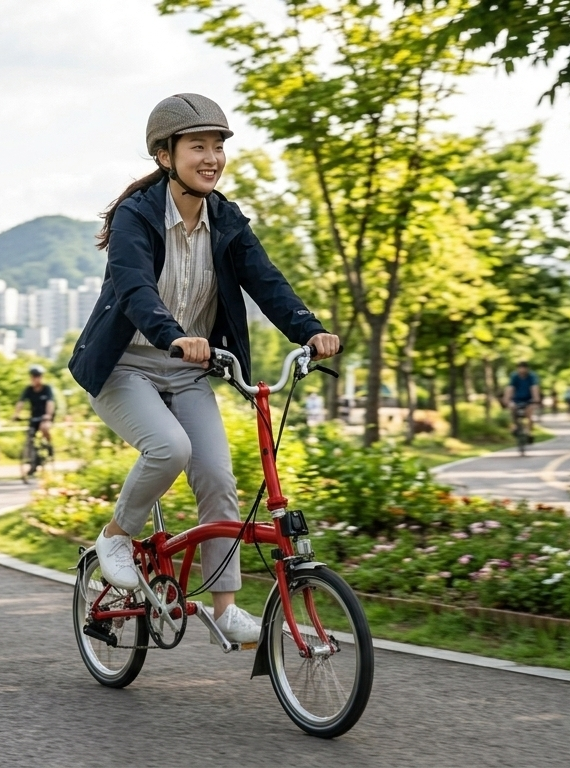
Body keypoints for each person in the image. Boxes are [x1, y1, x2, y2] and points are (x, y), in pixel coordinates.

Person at [68, 93, 340, 643]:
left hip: (189, 369)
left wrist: (309, 329)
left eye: (218, 146)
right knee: (170, 448)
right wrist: (174, 336)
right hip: (125, 366)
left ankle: (225, 610)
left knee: (218, 477)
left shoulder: (225, 218)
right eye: (198, 146)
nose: (211, 157)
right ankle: (116, 536)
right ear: (165, 155)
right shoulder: (136, 216)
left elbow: (266, 280)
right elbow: (135, 289)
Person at [14, 364, 57, 452]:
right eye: (34, 376)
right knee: (30, 434)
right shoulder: (29, 389)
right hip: (34, 416)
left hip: (45, 416)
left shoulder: (46, 388)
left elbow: (50, 402)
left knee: (44, 428)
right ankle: (32, 455)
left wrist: (48, 415)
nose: (36, 378)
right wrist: (16, 414)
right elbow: (21, 402)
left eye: (38, 376)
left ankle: (49, 447)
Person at [503, 361, 540, 441]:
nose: (522, 371)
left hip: (529, 398)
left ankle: (529, 432)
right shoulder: (514, 376)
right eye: (520, 369)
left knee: (529, 413)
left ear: (527, 369)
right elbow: (510, 387)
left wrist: (536, 399)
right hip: (517, 398)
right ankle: (515, 425)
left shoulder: (532, 376)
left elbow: (534, 387)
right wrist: (506, 398)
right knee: (512, 408)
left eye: (523, 368)